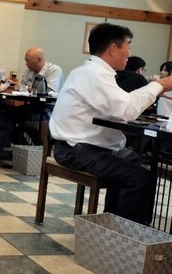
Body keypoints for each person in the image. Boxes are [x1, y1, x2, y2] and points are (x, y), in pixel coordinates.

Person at [49, 23, 172, 225]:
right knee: (140, 178)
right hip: (76, 150)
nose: (129, 52)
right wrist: (158, 85)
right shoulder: (94, 74)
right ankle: (123, 233)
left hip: (78, 147)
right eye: (128, 45)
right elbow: (127, 110)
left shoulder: (90, 71)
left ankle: (111, 221)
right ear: (113, 48)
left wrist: (155, 89)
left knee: (132, 160)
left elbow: (120, 105)